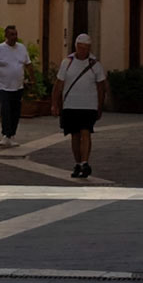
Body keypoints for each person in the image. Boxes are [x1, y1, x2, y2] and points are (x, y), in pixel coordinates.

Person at [53, 33, 107, 179]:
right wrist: (55, 104)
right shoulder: (67, 62)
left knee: (86, 132)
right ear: (76, 46)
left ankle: (84, 162)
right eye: (81, 47)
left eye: (86, 48)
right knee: (74, 136)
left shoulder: (95, 65)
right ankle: (78, 162)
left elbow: (101, 87)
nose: (83, 51)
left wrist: (100, 106)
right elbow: (59, 84)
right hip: (70, 104)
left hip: (89, 105)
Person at [0, 23, 31, 144]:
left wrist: (32, 79)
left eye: (15, 34)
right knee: (5, 110)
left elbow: (28, 64)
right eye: (11, 34)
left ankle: (12, 135)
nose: (14, 37)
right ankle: (6, 134)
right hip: (3, 86)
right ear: (6, 35)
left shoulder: (22, 48)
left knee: (15, 111)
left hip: (18, 86)